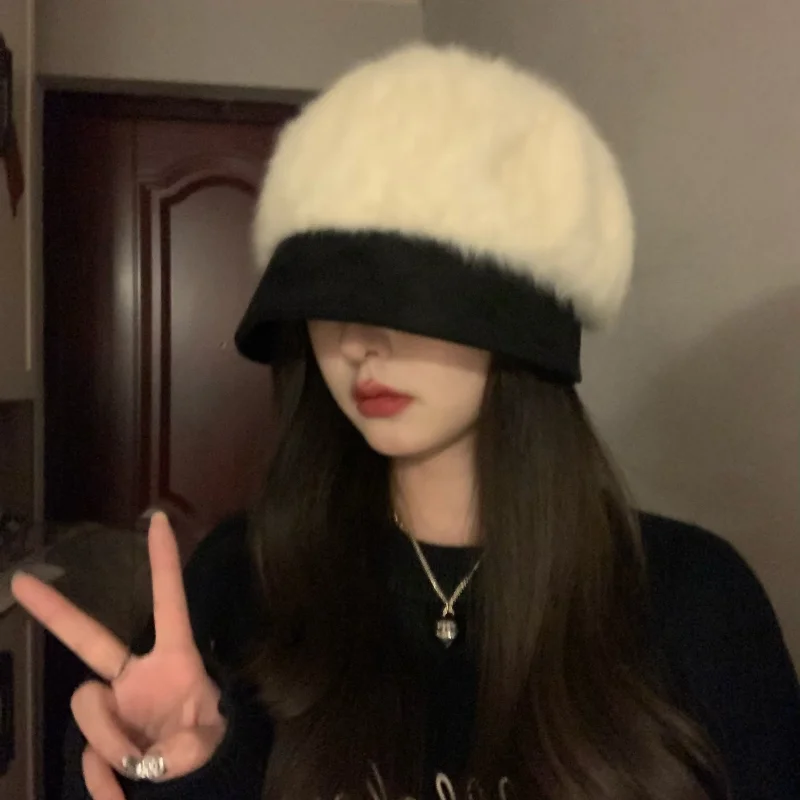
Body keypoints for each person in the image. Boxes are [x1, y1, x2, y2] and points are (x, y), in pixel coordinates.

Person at [12, 43, 800, 800]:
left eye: (406, 296)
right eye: (329, 301)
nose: (358, 342)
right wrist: (177, 776)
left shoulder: (697, 602)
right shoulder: (243, 581)